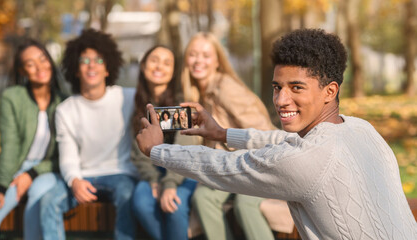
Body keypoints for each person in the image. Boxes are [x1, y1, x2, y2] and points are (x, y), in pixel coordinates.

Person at [136, 28, 417, 239]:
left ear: (330, 91)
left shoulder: (302, 160)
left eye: (296, 88)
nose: (281, 100)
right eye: (276, 87)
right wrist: (222, 133)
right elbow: (281, 140)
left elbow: (225, 166)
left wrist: (158, 151)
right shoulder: (360, 128)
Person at [180, 32, 283, 240]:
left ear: (217, 61)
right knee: (203, 197)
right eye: (193, 54)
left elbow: (262, 133)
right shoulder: (197, 93)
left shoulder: (226, 88)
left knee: (245, 204)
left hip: (259, 164)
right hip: (232, 168)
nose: (199, 60)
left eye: (206, 55)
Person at [39, 29, 138, 240]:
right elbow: (68, 156)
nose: (91, 65)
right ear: (75, 69)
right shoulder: (66, 110)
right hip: (83, 176)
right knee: (49, 201)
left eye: (98, 60)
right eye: (84, 60)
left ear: (108, 68)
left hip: (121, 173)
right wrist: (74, 181)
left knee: (128, 196)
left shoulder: (128, 98)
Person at [0, 39, 66, 240]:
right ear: (23, 71)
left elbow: (64, 156)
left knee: (38, 195)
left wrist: (32, 173)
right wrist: (0, 187)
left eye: (43, 60)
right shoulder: (12, 97)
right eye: (30, 64)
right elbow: (10, 146)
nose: (40, 67)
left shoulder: (65, 101)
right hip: (15, 169)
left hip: (49, 171)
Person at [130, 45, 197, 240]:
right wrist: (152, 179)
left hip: (184, 172)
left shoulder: (180, 102)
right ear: (143, 66)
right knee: (141, 202)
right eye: (154, 60)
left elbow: (185, 149)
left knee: (174, 206)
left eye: (167, 63)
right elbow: (138, 151)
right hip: (153, 172)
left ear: (174, 71)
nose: (160, 66)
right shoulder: (138, 103)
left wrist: (169, 184)